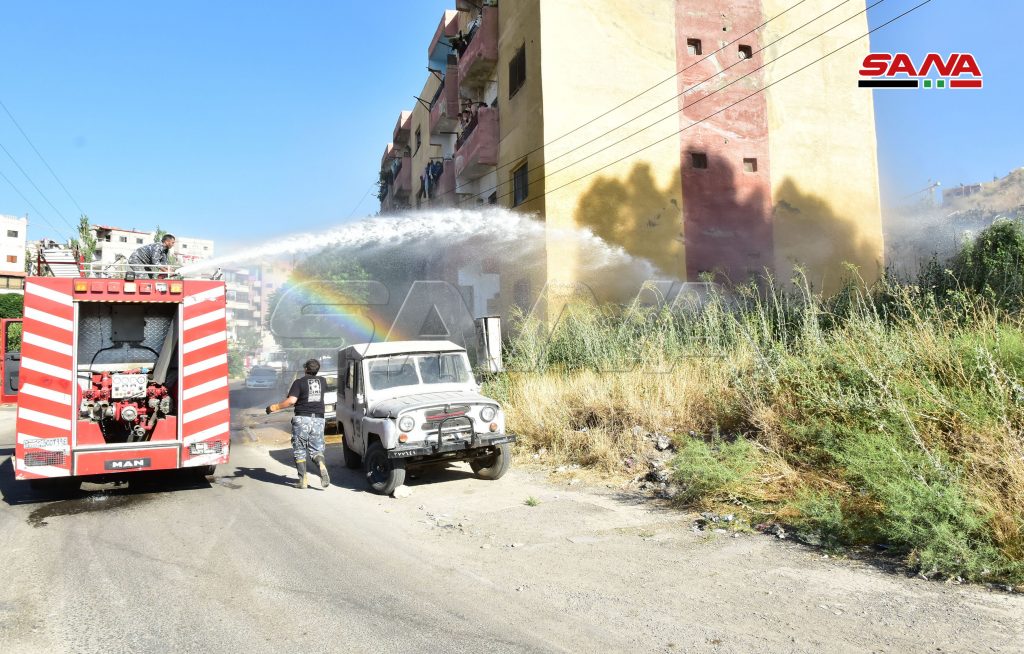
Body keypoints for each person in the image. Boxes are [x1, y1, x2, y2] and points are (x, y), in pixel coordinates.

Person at [265, 359, 330, 489]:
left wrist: (274, 407)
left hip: (302, 419)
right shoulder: (322, 381)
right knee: (316, 450)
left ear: (305, 369)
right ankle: (321, 465)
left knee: (300, 450)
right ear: (317, 370)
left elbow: (291, 401)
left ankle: (303, 481)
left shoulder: (299, 382)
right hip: (319, 419)